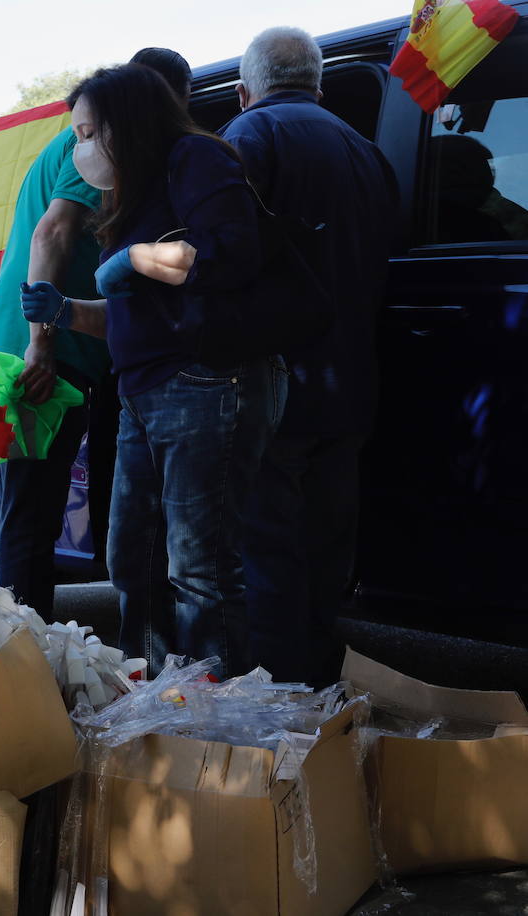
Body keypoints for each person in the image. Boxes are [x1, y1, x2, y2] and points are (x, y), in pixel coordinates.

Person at [21, 64, 286, 677]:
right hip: (143, 391)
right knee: (130, 558)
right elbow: (132, 317)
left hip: (207, 384)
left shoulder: (195, 159)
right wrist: (66, 313)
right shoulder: (130, 194)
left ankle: (217, 722)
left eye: (89, 133)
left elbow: (232, 255)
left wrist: (139, 258)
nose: (81, 149)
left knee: (199, 569)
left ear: (128, 124)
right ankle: (153, 690)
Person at [0, 47, 191, 622]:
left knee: (29, 510)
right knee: (31, 514)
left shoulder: (88, 143)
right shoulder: (96, 147)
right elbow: (52, 233)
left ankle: (32, 656)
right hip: (40, 349)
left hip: (41, 342)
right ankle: (26, 663)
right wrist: (42, 343)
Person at [223, 27, 398, 686]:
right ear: (318, 85)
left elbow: (225, 259)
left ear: (244, 92)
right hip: (351, 389)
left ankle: (281, 713)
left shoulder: (249, 138)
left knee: (268, 555)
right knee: (327, 559)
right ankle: (325, 695)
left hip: (275, 392)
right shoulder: (368, 152)